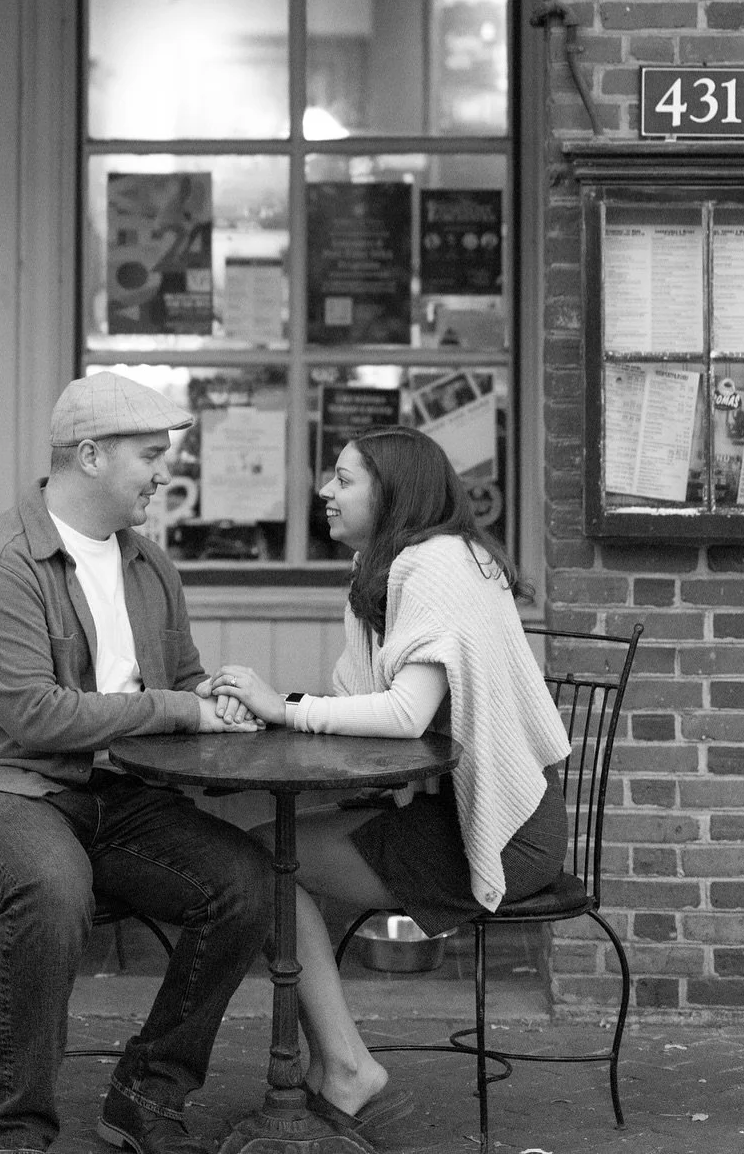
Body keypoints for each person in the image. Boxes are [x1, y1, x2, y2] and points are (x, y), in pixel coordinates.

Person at [0, 371, 277, 1154]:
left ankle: (146, 1093)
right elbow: (37, 716)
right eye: (150, 454)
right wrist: (182, 708)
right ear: (89, 455)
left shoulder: (148, 565)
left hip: (109, 791)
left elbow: (180, 683)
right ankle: (18, 1130)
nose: (163, 470)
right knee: (52, 885)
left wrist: (221, 703)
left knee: (246, 881)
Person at [209, 427, 571, 1140]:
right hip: (455, 814)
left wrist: (284, 708)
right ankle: (328, 1067)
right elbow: (367, 703)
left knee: (261, 864)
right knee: (264, 856)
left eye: (344, 479)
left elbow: (406, 714)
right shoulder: (395, 566)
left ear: (392, 490)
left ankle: (344, 1067)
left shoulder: (433, 564)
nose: (325, 492)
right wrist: (274, 706)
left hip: (498, 833)